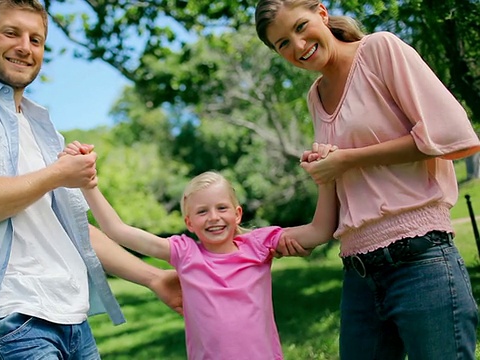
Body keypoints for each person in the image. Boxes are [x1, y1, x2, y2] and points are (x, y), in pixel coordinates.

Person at [0, 1, 182, 359]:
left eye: (36, 39)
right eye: (11, 33)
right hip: (11, 318)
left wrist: (154, 278)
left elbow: (75, 229)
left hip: (72, 318)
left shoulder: (42, 127)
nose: (25, 46)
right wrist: (58, 174)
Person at [255, 1, 480, 359]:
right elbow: (332, 215)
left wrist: (346, 159)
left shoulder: (379, 50)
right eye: (282, 43)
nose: (297, 46)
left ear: (322, 13)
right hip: (359, 276)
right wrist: (260, 240)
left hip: (422, 263)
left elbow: (453, 135)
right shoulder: (315, 97)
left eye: (300, 27)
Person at [62, 143, 336, 360]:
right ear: (189, 222)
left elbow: (320, 231)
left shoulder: (259, 245)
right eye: (202, 212)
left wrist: (326, 181)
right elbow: (118, 230)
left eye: (222, 208)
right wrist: (89, 185)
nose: (213, 217)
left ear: (238, 214)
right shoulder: (185, 253)